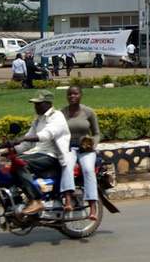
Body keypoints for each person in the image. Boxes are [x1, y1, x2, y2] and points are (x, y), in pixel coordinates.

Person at [7, 90, 70, 216]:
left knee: (20, 163)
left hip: (52, 155)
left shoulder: (56, 116)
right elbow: (26, 144)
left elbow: (46, 135)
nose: (35, 107)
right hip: (37, 153)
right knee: (10, 165)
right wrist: (8, 149)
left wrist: (23, 139)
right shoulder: (37, 120)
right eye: (35, 104)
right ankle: (18, 200)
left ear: (47, 103)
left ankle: (35, 200)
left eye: (38, 104)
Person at [59, 85, 101, 220]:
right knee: (66, 165)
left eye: (75, 94)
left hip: (85, 149)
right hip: (69, 148)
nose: (72, 96)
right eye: (70, 94)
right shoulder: (61, 113)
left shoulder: (88, 112)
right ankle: (68, 199)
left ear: (81, 95)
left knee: (88, 169)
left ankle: (93, 206)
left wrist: (91, 144)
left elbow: (97, 134)